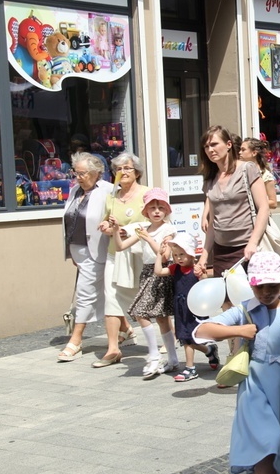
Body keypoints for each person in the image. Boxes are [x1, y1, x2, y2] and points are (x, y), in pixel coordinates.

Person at [193, 252, 280, 474]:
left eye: (271, 285)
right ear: (251, 284)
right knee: (268, 442)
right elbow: (202, 331)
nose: (265, 292)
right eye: (258, 286)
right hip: (255, 386)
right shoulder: (245, 310)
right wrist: (239, 331)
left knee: (273, 447)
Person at [111, 187, 180, 379]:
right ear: (146, 211)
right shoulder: (143, 229)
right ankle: (172, 359)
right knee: (160, 317)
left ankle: (154, 356)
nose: (157, 211)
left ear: (166, 210)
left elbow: (165, 255)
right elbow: (120, 246)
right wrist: (116, 229)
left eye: (160, 207)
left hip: (161, 274)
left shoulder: (168, 229)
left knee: (142, 312)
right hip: (147, 273)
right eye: (152, 208)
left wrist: (149, 239)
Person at [93, 152, 150, 368]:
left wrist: (126, 230)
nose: (123, 172)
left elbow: (156, 221)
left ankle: (168, 338)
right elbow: (106, 222)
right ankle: (113, 349)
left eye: (127, 168)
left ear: (137, 172)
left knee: (147, 298)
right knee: (111, 297)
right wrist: (107, 227)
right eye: (119, 169)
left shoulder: (146, 194)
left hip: (139, 255)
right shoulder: (112, 197)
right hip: (115, 254)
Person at [195, 126, 270, 286]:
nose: (210, 150)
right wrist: (204, 255)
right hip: (221, 250)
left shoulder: (246, 169)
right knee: (227, 303)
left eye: (214, 144)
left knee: (251, 301)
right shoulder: (210, 179)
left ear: (229, 144)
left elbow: (264, 207)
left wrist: (253, 243)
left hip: (246, 247)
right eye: (206, 147)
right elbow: (213, 222)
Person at [58, 153, 113, 362]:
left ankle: (76, 340)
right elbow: (70, 220)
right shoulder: (74, 190)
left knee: (85, 293)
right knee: (99, 294)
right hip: (78, 250)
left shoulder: (107, 190)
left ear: (96, 173)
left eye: (83, 173)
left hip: (97, 249)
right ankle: (126, 330)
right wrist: (71, 251)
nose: (78, 177)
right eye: (76, 173)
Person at [154, 233, 220, 381]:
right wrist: (159, 255)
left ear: (191, 254)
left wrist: (202, 273)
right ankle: (209, 350)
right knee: (185, 338)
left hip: (194, 308)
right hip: (181, 308)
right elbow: (158, 271)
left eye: (182, 254)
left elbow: (204, 284)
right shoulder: (175, 269)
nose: (179, 258)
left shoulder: (195, 270)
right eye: (176, 255)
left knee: (190, 338)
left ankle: (190, 368)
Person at [238, 136, 278, 210]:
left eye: (243, 150)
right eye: (240, 149)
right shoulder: (239, 172)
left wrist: (252, 201)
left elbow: (273, 202)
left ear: (254, 153)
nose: (240, 152)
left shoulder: (266, 175)